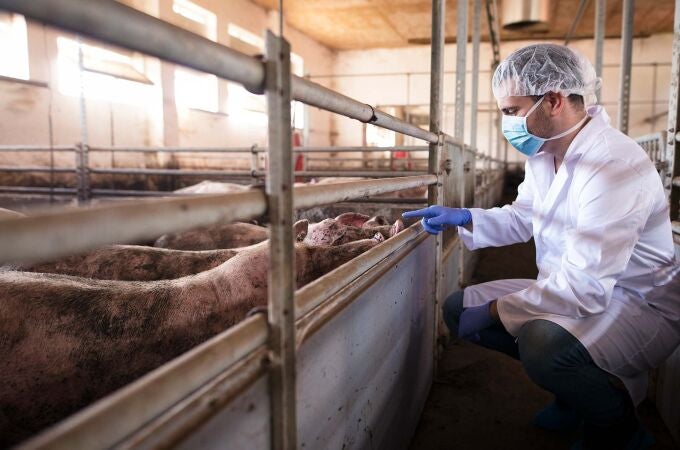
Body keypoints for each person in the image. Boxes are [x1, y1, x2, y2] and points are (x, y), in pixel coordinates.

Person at [403, 44, 680, 450]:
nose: (507, 124)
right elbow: (526, 216)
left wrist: (499, 309)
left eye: (511, 111)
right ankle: (574, 396)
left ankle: (620, 431)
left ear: (553, 100)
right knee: (458, 309)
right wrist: (467, 216)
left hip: (637, 303)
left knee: (541, 344)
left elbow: (585, 285)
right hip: (576, 287)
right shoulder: (546, 152)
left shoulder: (613, 166)